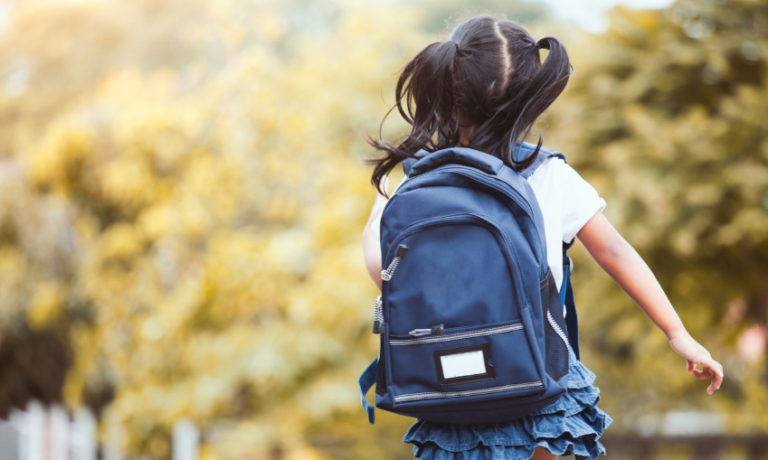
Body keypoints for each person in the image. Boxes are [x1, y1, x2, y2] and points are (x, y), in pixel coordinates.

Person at [360, 15, 724, 460]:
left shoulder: (418, 181)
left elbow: (383, 272)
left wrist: (386, 200)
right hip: (536, 383)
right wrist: (676, 332)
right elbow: (614, 251)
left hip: (446, 391)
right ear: (528, 102)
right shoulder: (547, 174)